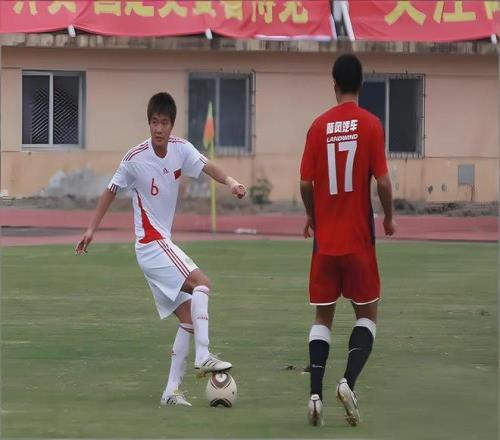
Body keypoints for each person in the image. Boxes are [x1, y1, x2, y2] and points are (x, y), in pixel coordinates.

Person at [75, 92, 247, 407]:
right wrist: (90, 229)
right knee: (202, 283)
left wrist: (232, 182)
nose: (158, 128)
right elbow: (110, 191)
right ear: (149, 123)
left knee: (188, 318)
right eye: (154, 122)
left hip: (157, 246)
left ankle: (171, 391)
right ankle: (204, 355)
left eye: (164, 122)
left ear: (171, 124)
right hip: (151, 244)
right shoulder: (134, 157)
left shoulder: (181, 149)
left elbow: (209, 167)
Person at [300, 54, 395, 426]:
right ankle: (347, 383)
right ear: (361, 85)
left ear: (335, 85)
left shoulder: (317, 126)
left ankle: (315, 396)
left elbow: (305, 183)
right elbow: (383, 181)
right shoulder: (371, 125)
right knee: (367, 315)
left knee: (323, 317)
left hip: (325, 243)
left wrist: (312, 216)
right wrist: (388, 216)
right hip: (358, 241)